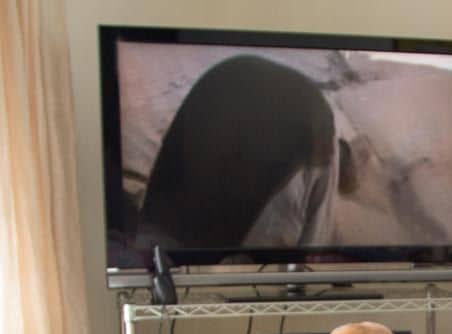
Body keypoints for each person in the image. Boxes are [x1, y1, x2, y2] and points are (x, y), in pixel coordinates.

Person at [137, 54, 348, 251]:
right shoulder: (322, 132)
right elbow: (317, 235)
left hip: (222, 83)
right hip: (282, 109)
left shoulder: (319, 121)